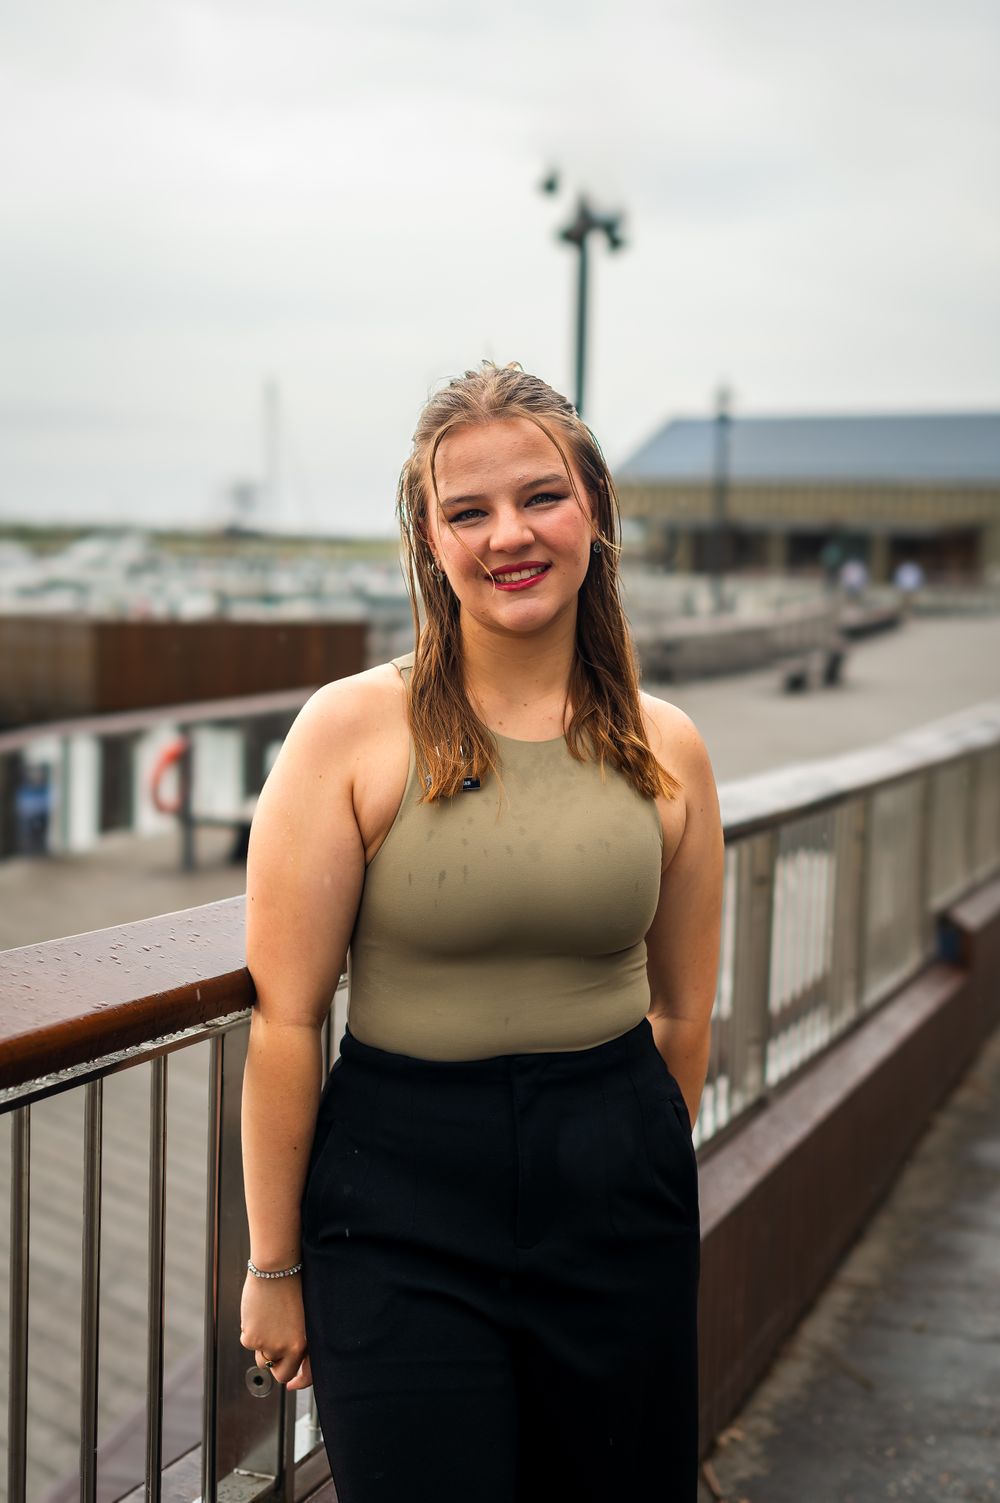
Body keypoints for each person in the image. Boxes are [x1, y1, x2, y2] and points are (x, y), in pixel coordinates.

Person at [239, 361, 725, 1502]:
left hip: (614, 1187)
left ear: (594, 510)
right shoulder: (351, 730)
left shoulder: (670, 748)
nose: (509, 534)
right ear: (429, 538)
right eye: (467, 511)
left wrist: (624, 1169)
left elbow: (685, 1012)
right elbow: (288, 1019)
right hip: (396, 1197)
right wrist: (274, 1264)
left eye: (539, 497)